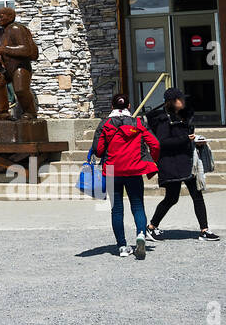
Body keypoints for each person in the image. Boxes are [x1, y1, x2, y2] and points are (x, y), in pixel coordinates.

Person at [145, 87, 219, 242]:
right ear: (171, 102)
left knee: (197, 195)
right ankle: (151, 227)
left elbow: (186, 136)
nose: (183, 102)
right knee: (172, 198)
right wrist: (187, 139)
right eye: (180, 99)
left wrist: (197, 141)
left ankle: (204, 230)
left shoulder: (184, 115)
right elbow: (163, 143)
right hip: (170, 163)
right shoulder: (161, 120)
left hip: (186, 161)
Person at [92, 93, 161, 259]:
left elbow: (99, 151)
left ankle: (122, 246)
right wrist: (151, 160)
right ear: (129, 106)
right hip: (134, 168)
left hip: (111, 170)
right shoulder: (138, 122)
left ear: (112, 106)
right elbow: (155, 144)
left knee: (116, 210)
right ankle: (141, 235)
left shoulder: (105, 124)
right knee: (137, 205)